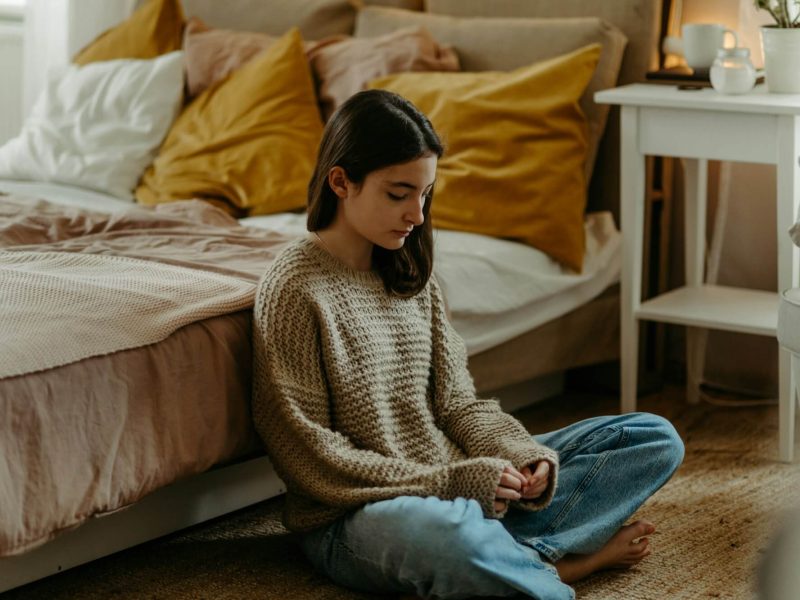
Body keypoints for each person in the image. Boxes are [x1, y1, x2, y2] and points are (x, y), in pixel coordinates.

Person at [251, 89, 685, 600]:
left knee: (652, 437)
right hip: (356, 514)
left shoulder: (411, 274)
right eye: (398, 193)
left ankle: (506, 556)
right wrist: (450, 482)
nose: (416, 213)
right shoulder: (295, 288)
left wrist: (521, 456)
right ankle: (564, 568)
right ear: (341, 182)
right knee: (444, 536)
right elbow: (310, 457)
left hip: (459, 483)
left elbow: (457, 403)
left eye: (425, 194)